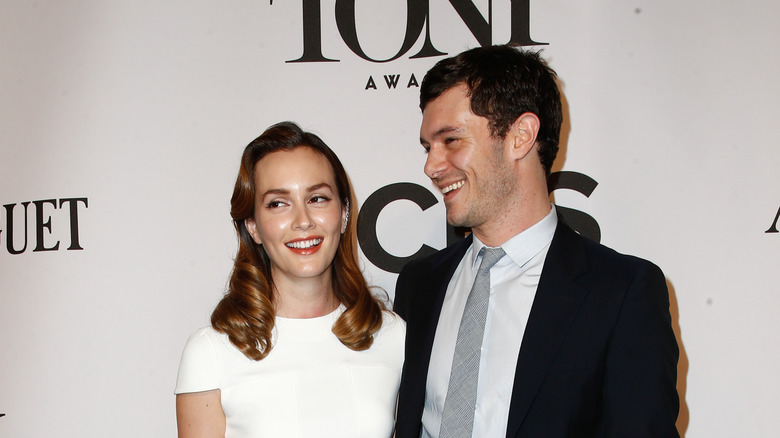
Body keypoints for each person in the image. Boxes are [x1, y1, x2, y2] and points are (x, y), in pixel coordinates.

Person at [393, 45, 679, 437]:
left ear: (521, 135)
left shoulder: (621, 293)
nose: (431, 166)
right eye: (428, 147)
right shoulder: (419, 285)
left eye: (451, 140)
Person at [175, 122, 405, 438]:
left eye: (318, 198)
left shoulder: (392, 336)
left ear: (344, 214)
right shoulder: (211, 352)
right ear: (252, 225)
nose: (303, 221)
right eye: (278, 203)